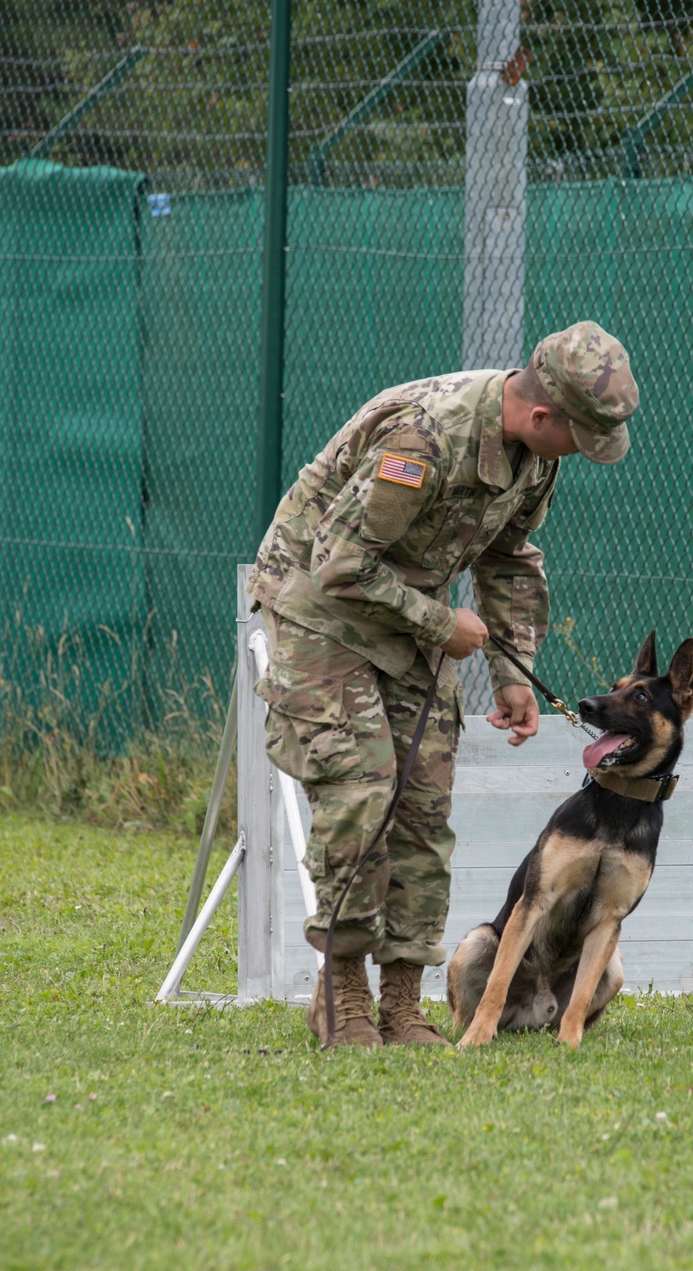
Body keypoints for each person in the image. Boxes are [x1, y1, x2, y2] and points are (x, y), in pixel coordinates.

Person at [247, 320, 638, 1047]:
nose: (578, 457)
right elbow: (338, 563)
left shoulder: (536, 456)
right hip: (320, 609)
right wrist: (438, 624)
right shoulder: (426, 439)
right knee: (361, 791)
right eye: (578, 440)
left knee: (424, 807)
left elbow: (509, 559)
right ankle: (342, 999)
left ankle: (400, 1004)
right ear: (542, 414)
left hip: (409, 615)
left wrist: (510, 671)